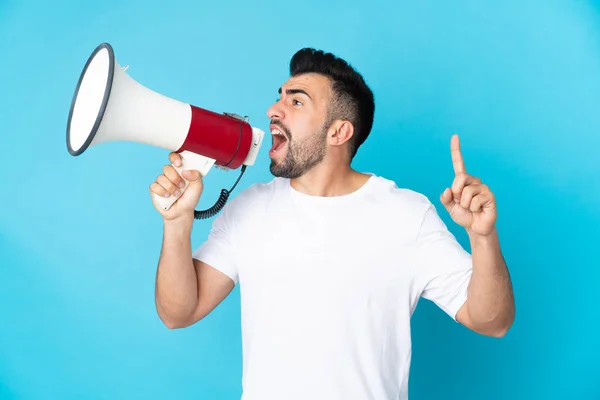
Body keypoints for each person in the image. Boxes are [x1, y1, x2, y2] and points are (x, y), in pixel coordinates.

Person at [150, 48, 515, 400]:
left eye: (296, 101)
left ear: (339, 132)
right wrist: (178, 223)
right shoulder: (249, 208)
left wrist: (483, 237)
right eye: (279, 97)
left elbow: (492, 321)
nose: (272, 110)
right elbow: (178, 313)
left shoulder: (406, 215)